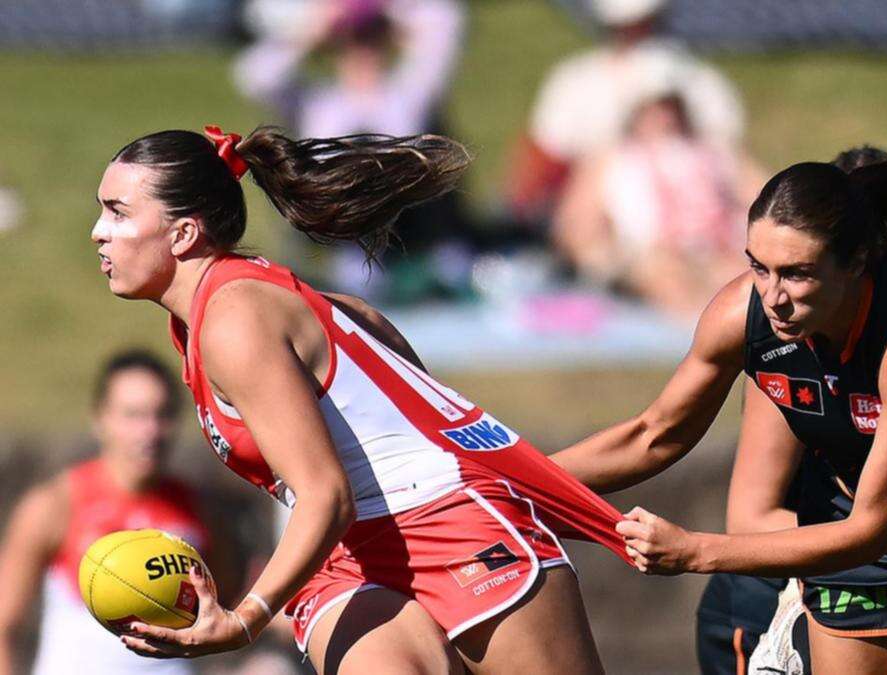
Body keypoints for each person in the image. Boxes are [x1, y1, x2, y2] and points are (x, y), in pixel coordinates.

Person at [553, 69, 887, 674]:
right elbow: (654, 434)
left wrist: (697, 552)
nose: (772, 297)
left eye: (797, 274)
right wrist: (504, 481)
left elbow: (877, 524)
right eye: (758, 267)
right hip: (857, 538)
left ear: (858, 263)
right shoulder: (743, 316)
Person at [89, 124, 630, 674]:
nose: (98, 232)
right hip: (345, 554)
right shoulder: (201, 321)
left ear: (183, 234)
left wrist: (247, 617)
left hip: (452, 530)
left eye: (118, 212)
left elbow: (327, 493)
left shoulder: (235, 318)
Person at [694, 146, 887, 675]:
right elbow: (749, 517)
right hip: (765, 604)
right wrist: (886, 538)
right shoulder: (786, 345)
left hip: (867, 590)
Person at [0, 350, 230, 675]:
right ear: (100, 419)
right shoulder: (55, 504)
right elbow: (5, 623)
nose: (149, 431)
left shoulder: (199, 509)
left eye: (162, 414)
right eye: (133, 415)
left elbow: (229, 605)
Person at [234, 0, 468, 300]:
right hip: (341, 245)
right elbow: (254, 77)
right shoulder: (319, 104)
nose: (363, 47)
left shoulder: (405, 96)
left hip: (412, 234)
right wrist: (316, 27)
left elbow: (446, 25)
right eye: (354, 38)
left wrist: (386, 12)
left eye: (372, 36)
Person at [507, 0, 744, 225]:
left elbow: (730, 168)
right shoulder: (575, 82)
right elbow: (539, 170)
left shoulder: (700, 82)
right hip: (605, 225)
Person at [553, 89, 764, 317]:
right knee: (669, 278)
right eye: (654, 112)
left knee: (742, 280)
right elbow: (576, 221)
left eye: (668, 111)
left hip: (718, 246)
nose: (663, 120)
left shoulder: (715, 152)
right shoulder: (612, 159)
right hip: (650, 251)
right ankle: (699, 336)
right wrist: (597, 255)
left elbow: (766, 197)